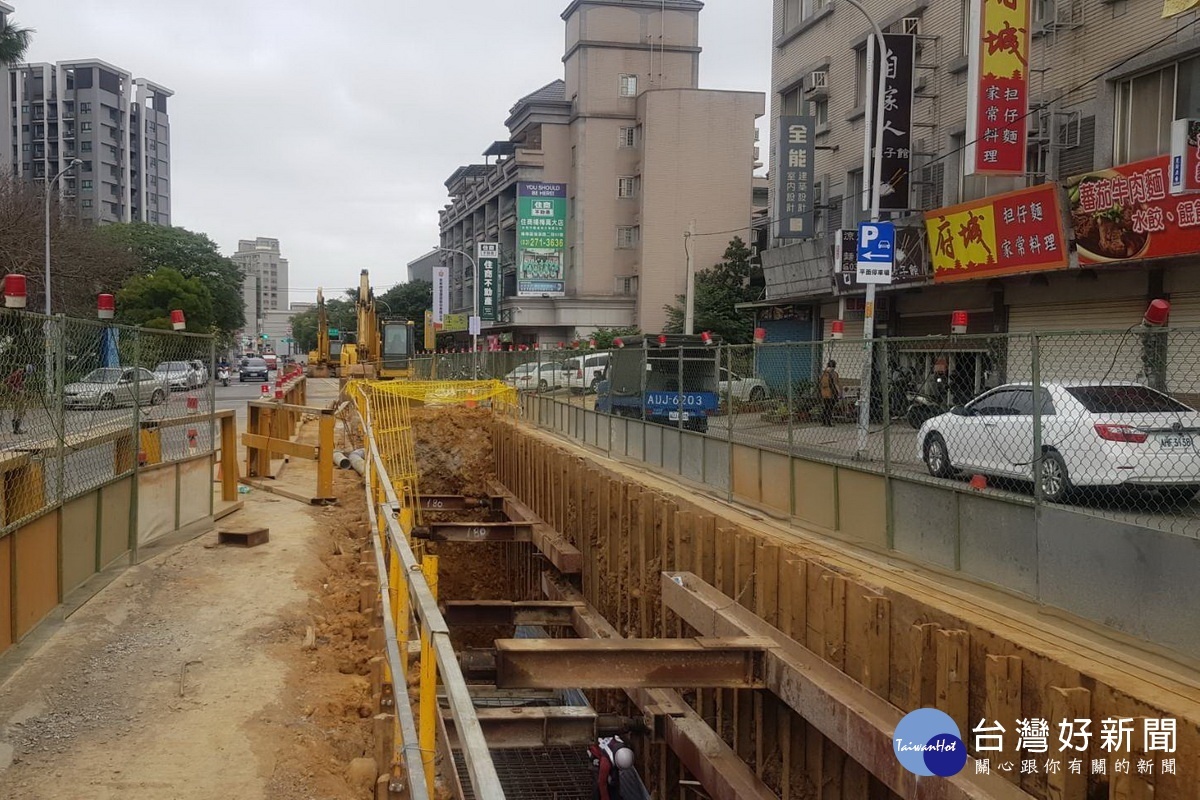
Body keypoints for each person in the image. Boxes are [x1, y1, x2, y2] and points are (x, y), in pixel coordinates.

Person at [589, 735, 634, 800]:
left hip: (605, 746)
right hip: (596, 753)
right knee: (597, 782)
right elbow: (602, 783)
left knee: (614, 781)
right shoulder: (605, 763)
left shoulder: (623, 748)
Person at [5, 364, 28, 434]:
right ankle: (16, 429)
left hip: (19, 393)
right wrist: (16, 390)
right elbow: (7, 382)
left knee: (19, 410)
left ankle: (16, 428)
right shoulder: (18, 374)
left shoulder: (21, 375)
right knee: (19, 410)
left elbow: (20, 383)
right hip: (17, 394)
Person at [819, 360, 840, 427]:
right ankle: (828, 422)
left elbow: (820, 383)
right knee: (830, 408)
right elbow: (836, 384)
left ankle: (824, 421)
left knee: (826, 407)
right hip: (832, 392)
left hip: (824, 392)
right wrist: (839, 392)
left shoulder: (823, 373)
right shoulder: (834, 373)